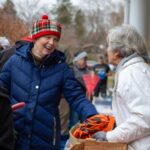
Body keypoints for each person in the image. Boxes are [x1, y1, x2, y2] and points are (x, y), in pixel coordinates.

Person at [0, 14, 98, 150]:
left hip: (46, 140)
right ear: (35, 38)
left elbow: (77, 97)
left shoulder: (61, 69)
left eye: (55, 39)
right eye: (48, 37)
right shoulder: (14, 62)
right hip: (15, 136)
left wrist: (93, 118)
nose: (52, 43)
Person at [92, 24, 150, 150]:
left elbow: (145, 118)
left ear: (117, 51)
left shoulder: (132, 73)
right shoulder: (133, 70)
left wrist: (110, 136)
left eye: (108, 45)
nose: (107, 50)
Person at [69, 51, 90, 127]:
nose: (84, 62)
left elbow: (90, 85)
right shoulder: (72, 70)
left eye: (85, 60)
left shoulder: (87, 70)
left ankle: (82, 136)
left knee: (84, 119)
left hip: (84, 99)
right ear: (76, 60)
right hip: (74, 99)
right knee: (74, 120)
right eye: (82, 59)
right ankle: (73, 137)